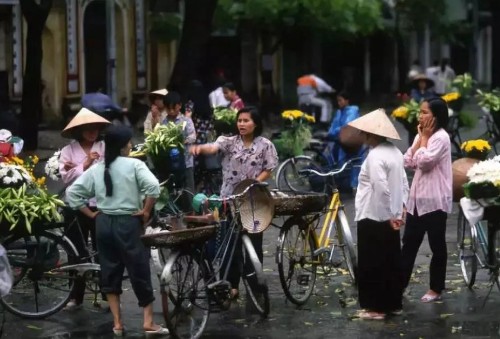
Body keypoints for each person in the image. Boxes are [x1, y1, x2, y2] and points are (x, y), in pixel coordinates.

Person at [66, 125, 167, 336]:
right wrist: (146, 211)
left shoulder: (97, 168)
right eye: (129, 142)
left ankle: (118, 324)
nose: (131, 145)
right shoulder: (134, 165)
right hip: (128, 223)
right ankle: (148, 322)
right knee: (138, 268)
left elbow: (73, 193)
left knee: (109, 271)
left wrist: (91, 214)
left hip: (103, 224)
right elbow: (154, 187)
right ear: (123, 146)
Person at [190, 107, 278, 299]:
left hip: (254, 200)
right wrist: (200, 148)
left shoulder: (265, 145)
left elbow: (269, 168)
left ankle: (255, 284)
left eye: (246, 120)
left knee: (254, 243)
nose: (242, 124)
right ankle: (231, 286)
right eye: (239, 120)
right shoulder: (229, 142)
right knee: (231, 244)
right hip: (229, 200)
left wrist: (255, 182)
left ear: (255, 124)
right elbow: (213, 147)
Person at [348, 108, 409, 320]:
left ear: (371, 134)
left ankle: (374, 308)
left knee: (371, 262)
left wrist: (389, 214)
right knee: (391, 260)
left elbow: (380, 187)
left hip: (372, 215)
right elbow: (403, 183)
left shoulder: (374, 156)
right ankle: (393, 304)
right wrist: (401, 209)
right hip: (390, 215)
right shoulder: (395, 151)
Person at [401, 97, 452, 303]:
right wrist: (420, 141)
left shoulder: (441, 137)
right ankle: (400, 283)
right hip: (416, 200)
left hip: (434, 201)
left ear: (436, 117)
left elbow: (424, 163)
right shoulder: (421, 135)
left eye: (425, 112)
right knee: (409, 244)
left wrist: (423, 142)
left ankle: (436, 288)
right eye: (420, 112)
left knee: (437, 245)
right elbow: (407, 161)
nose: (420, 116)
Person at [59, 107, 110, 310]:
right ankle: (75, 296)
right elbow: (65, 176)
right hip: (75, 207)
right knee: (75, 252)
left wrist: (78, 167)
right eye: (88, 128)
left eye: (95, 128)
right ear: (79, 130)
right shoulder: (67, 151)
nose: (92, 132)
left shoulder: (104, 147)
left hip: (100, 205)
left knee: (102, 250)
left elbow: (109, 170)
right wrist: (85, 164)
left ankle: (107, 294)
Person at [327, 91, 364, 191]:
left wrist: (333, 132)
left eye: (340, 100)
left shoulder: (352, 111)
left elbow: (346, 126)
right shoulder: (339, 112)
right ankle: (343, 183)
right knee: (338, 161)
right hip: (341, 140)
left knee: (353, 162)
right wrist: (330, 133)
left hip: (352, 141)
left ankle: (353, 185)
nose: (339, 103)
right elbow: (334, 125)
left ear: (347, 101)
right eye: (338, 101)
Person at [162, 91, 197, 195]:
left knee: (188, 189)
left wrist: (183, 141)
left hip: (186, 160)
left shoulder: (186, 120)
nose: (171, 111)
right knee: (174, 189)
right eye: (168, 109)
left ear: (180, 106)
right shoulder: (164, 122)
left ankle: (192, 210)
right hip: (171, 161)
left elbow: (193, 136)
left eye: (174, 108)